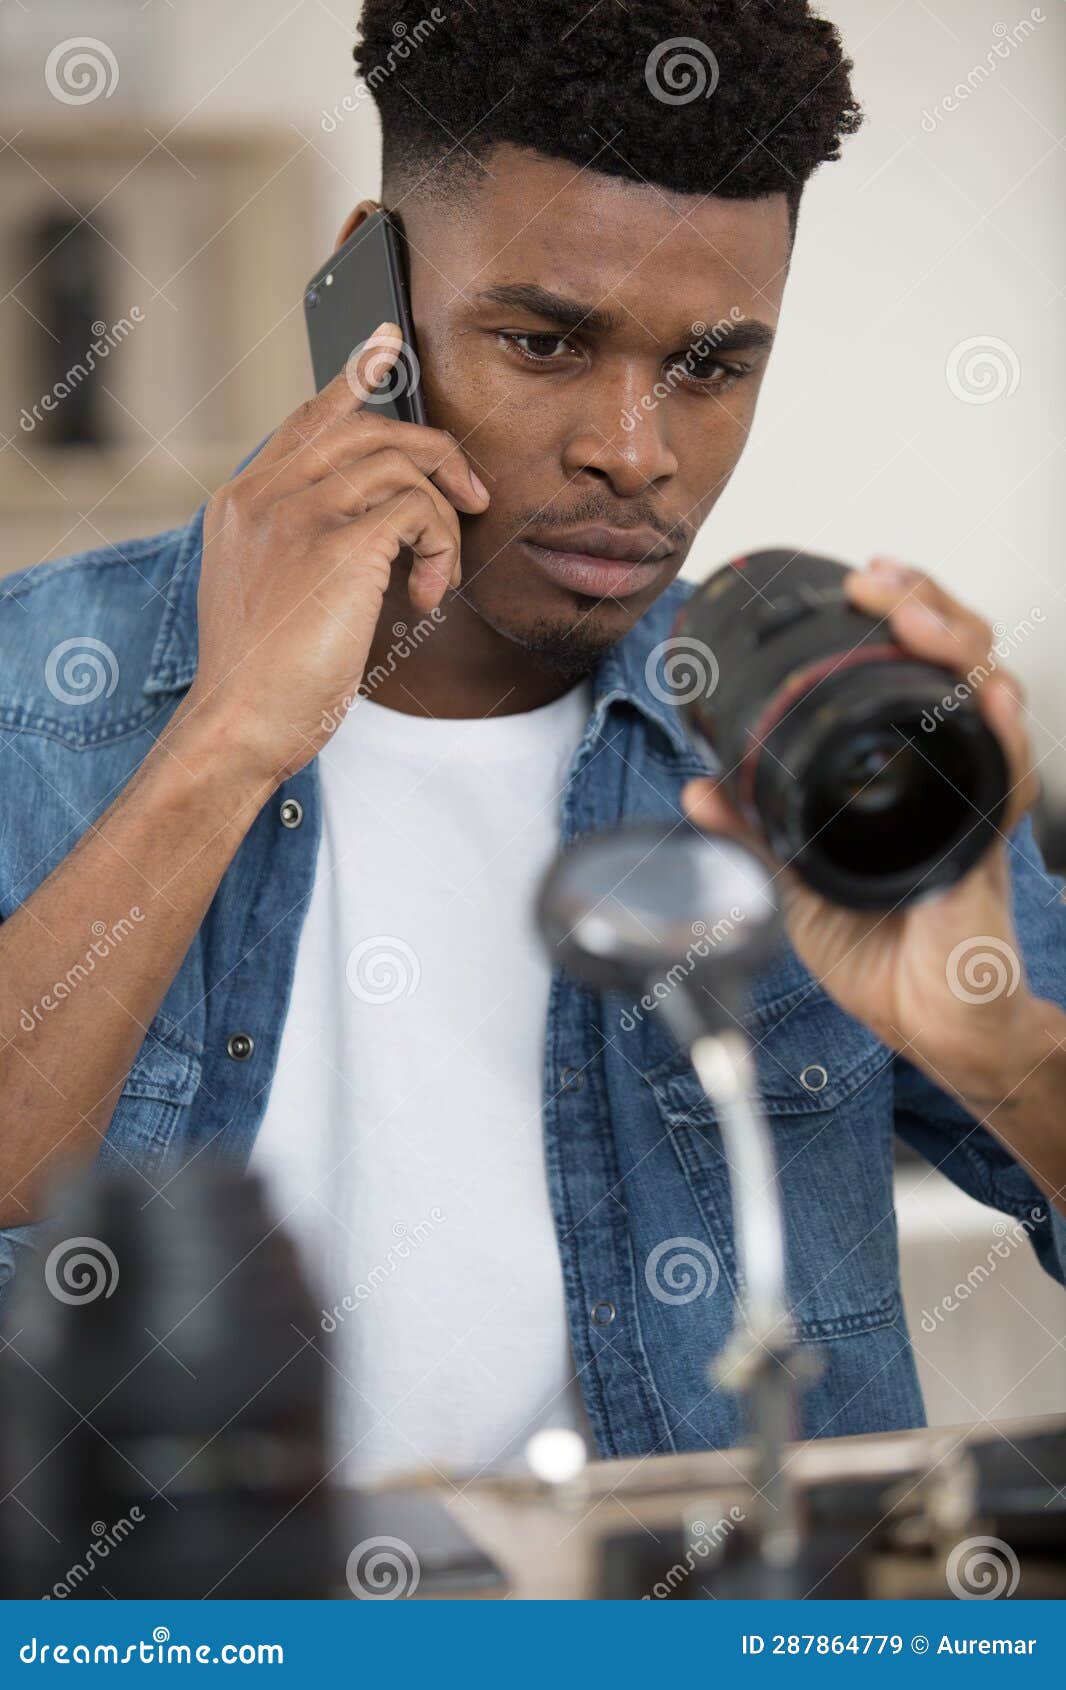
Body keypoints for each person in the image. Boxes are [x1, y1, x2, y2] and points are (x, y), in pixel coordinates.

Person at [1, 0, 1064, 1481]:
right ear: (368, 290)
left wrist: (992, 1038)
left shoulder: (811, 724)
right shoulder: (31, 685)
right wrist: (227, 738)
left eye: (709, 364)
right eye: (545, 341)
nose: (633, 449)